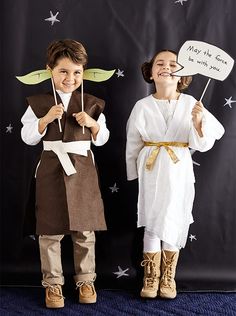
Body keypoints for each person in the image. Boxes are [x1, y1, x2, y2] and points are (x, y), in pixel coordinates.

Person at [126, 49, 225, 299]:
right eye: (160, 63)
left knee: (173, 218)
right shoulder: (142, 106)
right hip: (151, 168)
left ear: (182, 74)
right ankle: (151, 276)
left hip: (179, 169)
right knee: (151, 221)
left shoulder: (192, 103)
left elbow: (206, 141)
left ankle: (168, 277)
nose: (167, 67)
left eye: (173, 64)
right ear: (150, 72)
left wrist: (199, 123)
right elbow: (133, 142)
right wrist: (133, 175)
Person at [21, 39, 110, 308]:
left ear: (84, 72)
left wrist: (93, 124)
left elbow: (103, 138)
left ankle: (85, 279)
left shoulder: (92, 103)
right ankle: (53, 284)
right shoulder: (38, 103)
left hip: (82, 171)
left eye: (77, 72)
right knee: (50, 231)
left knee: (84, 229)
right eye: (63, 71)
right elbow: (27, 137)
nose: (70, 78)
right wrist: (45, 119)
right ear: (50, 70)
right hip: (51, 169)